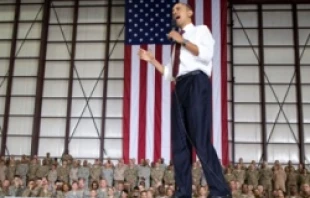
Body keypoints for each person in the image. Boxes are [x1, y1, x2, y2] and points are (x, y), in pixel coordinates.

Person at [138, 2, 230, 198]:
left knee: (200, 139)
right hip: (179, 86)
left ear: (189, 12)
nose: (174, 12)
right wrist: (152, 60)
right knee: (179, 143)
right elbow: (171, 73)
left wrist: (182, 41)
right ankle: (183, 192)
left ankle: (220, 191)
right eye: (173, 11)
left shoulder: (200, 31)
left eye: (177, 9)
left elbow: (205, 55)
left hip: (197, 82)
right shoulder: (176, 44)